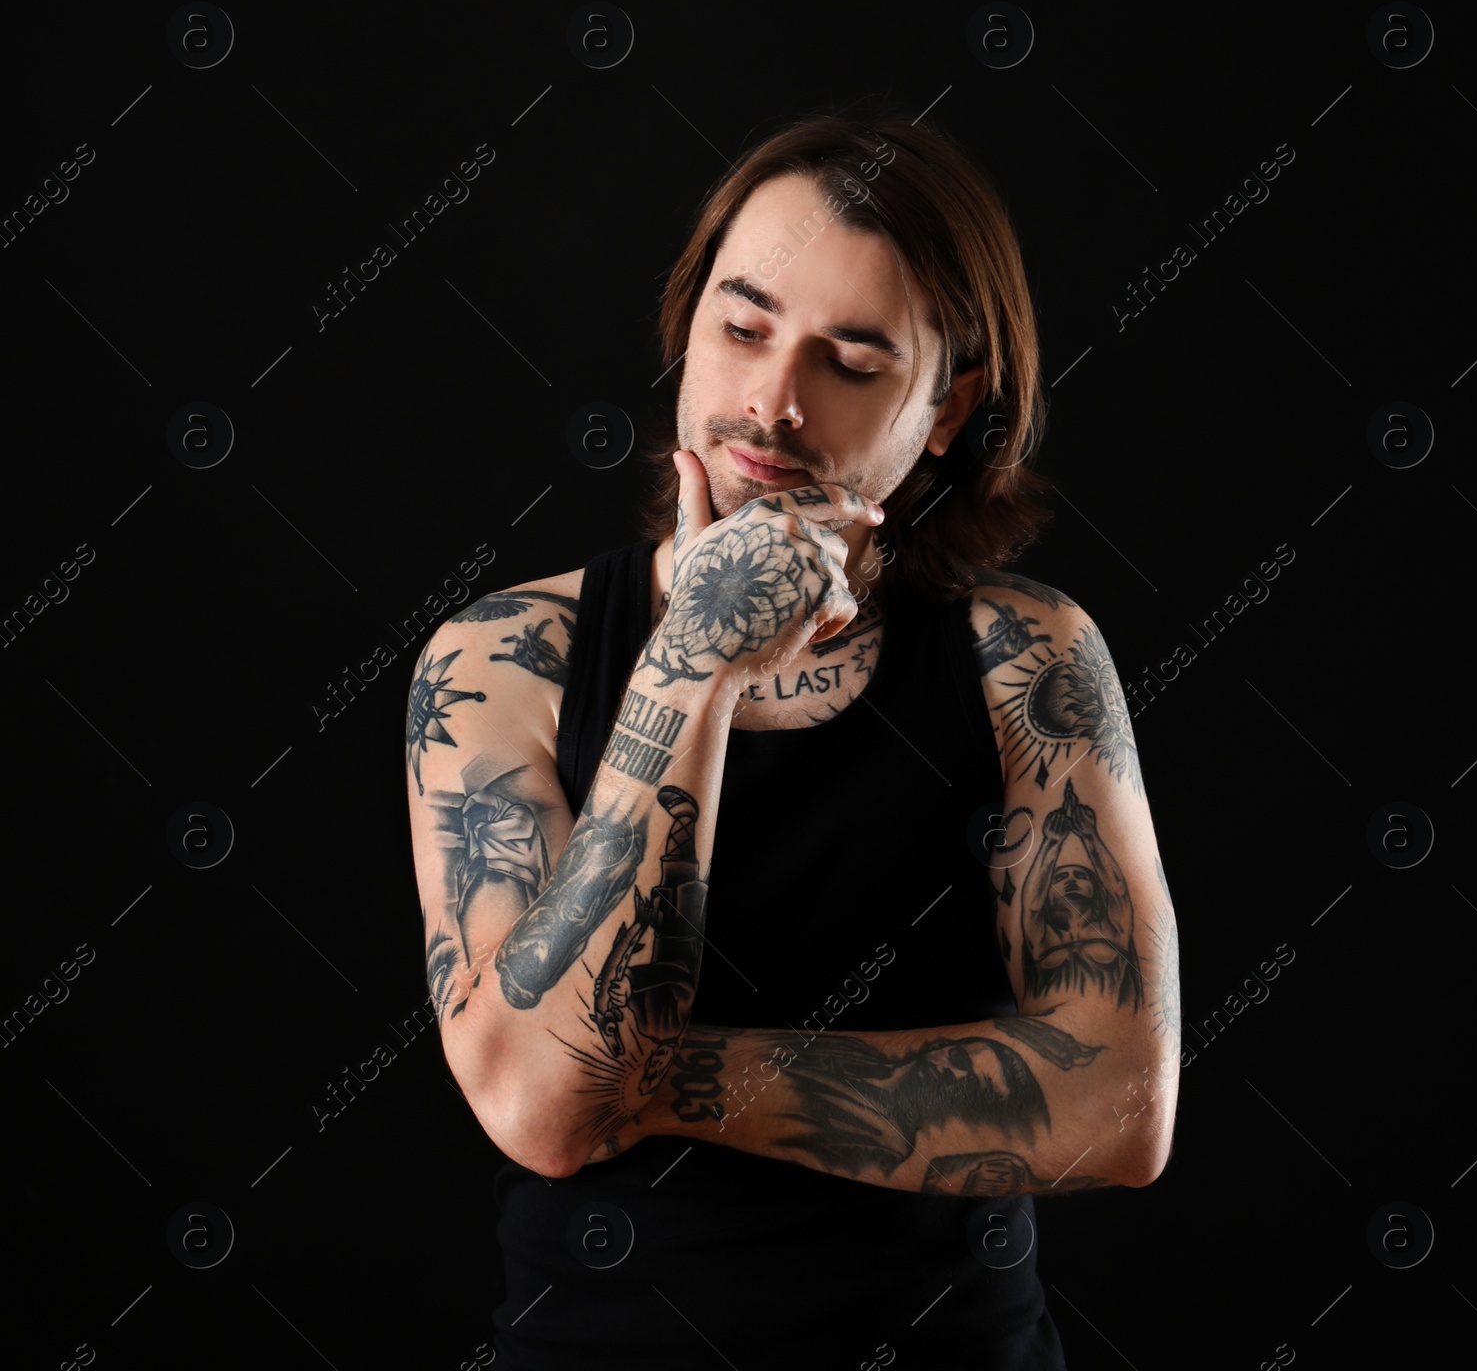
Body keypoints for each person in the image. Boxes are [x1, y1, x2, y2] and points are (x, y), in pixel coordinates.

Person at [405, 107, 1181, 1369]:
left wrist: (660, 1079)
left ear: (947, 406)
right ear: (688, 321)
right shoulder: (500, 660)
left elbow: (1119, 1104)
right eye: (743, 325)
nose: (771, 402)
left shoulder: (1023, 657)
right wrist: (693, 658)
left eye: (853, 360)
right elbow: (546, 1114)